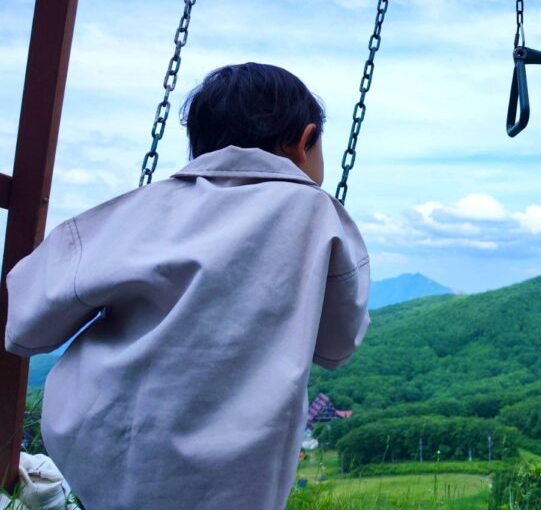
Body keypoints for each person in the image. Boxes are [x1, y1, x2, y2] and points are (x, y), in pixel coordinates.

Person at [4, 63, 371, 510]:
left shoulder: (133, 211)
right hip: (230, 479)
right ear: (305, 141)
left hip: (97, 445)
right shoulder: (317, 215)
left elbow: (24, 325)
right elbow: (338, 345)